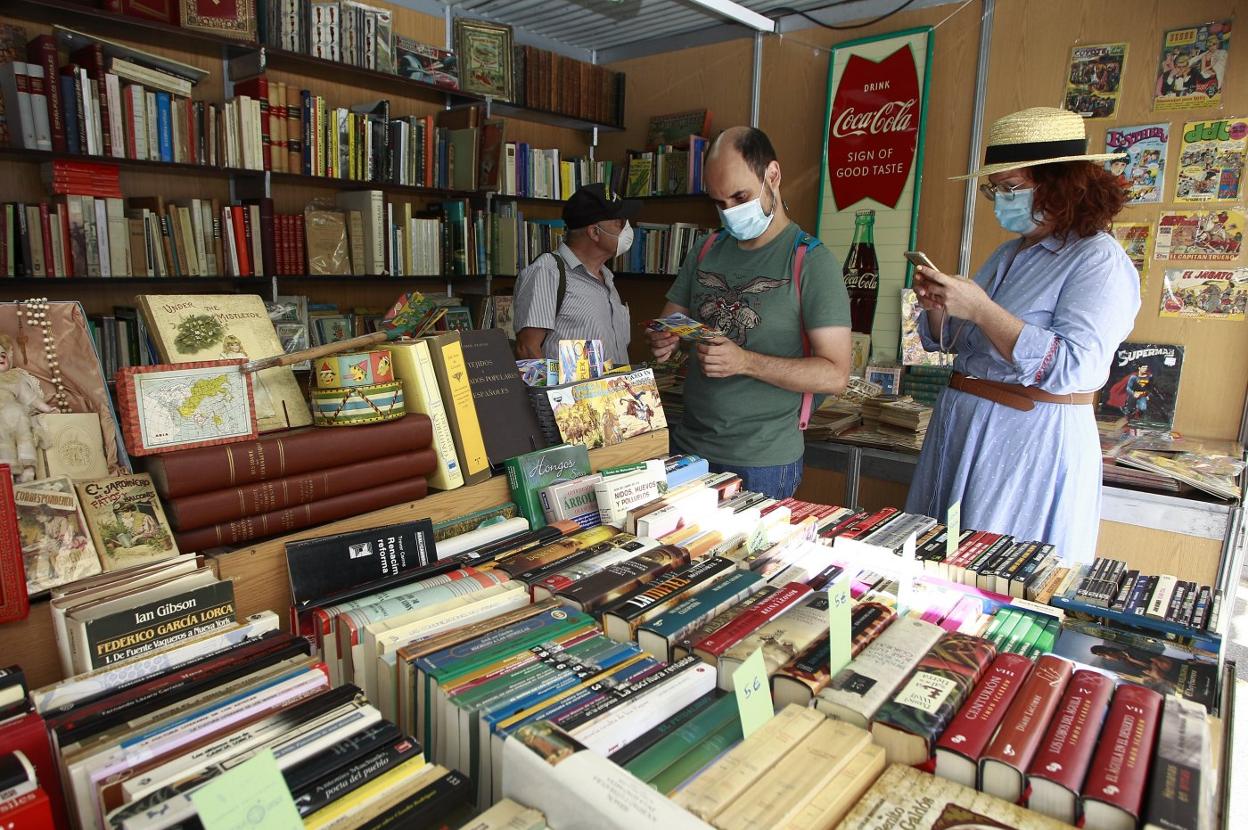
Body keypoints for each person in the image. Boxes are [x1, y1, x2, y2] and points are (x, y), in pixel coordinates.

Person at [906, 106, 1140, 563]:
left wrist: (981, 308)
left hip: (1026, 441)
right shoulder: (1010, 252)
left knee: (996, 569)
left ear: (1061, 184)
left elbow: (1077, 366)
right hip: (963, 429)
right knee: (937, 565)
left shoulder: (1098, 261)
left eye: (1011, 187)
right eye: (996, 189)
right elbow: (953, 343)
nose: (1001, 200)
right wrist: (939, 308)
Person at [648, 126, 852, 500]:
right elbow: (671, 321)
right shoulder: (707, 247)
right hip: (689, 449)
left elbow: (836, 374)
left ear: (772, 176)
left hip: (762, 461)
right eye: (719, 203)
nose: (730, 213)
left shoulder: (811, 261)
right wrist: (667, 340)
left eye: (739, 197)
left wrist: (744, 362)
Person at [513, 183, 637, 365]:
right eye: (619, 223)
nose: (627, 229)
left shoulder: (606, 277)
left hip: (616, 392)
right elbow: (527, 350)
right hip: (571, 393)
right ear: (595, 232)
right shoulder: (547, 272)